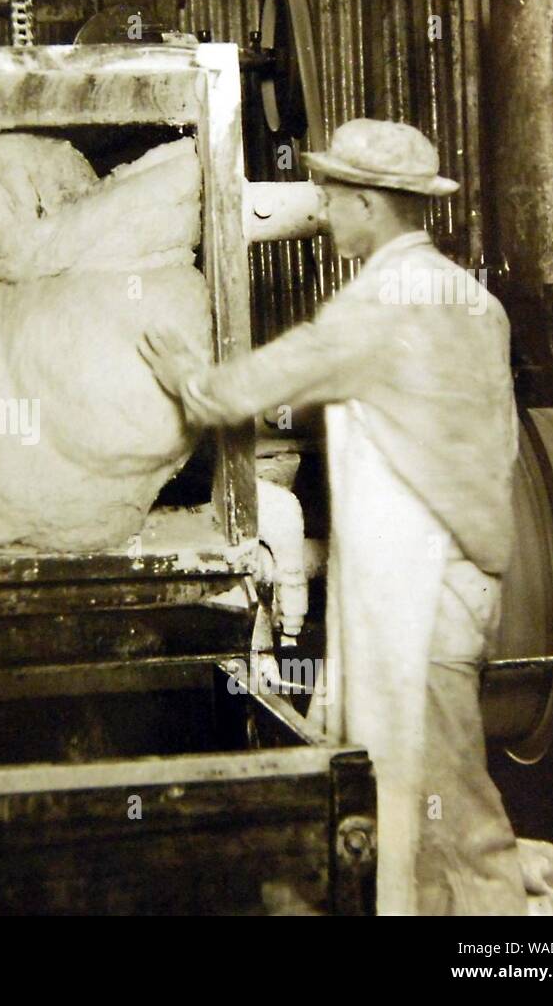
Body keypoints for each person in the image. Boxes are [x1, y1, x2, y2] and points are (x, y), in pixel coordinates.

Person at [139, 118, 527, 915]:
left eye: (334, 197)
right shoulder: (476, 302)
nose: (324, 212)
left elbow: (246, 388)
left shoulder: (378, 305)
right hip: (469, 584)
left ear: (373, 206)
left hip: (420, 602)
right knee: (420, 794)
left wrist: (186, 374)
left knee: (459, 815)